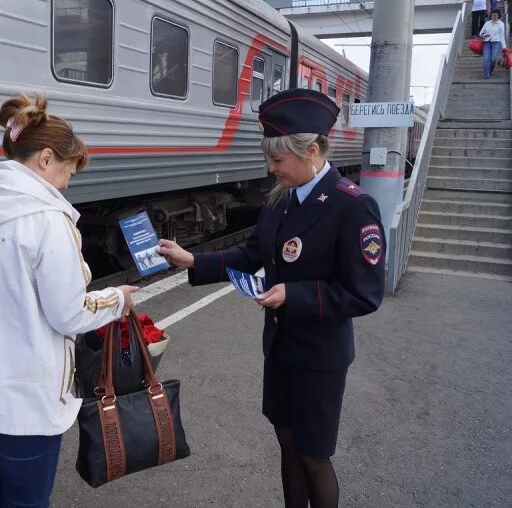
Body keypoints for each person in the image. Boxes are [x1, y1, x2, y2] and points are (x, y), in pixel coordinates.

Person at [157, 89, 386, 508]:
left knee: (313, 456)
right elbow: (251, 255)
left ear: (312, 151)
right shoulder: (281, 200)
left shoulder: (353, 207)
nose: (270, 168)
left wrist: (294, 295)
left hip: (320, 356)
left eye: (277, 160)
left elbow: (365, 293)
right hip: (281, 348)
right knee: (286, 443)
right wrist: (192, 259)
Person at [0, 93, 137, 507]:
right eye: (67, 172)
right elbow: (70, 312)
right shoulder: (47, 220)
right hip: (26, 399)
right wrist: (117, 298)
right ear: (46, 158)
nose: (66, 184)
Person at [480, 9, 506, 78]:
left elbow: (502, 36)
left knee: (493, 59)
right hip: (487, 42)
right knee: (486, 59)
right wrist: (484, 35)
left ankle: (490, 71)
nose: (494, 17)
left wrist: (504, 48)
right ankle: (486, 74)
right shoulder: (487, 23)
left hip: (496, 43)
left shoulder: (501, 24)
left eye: (495, 15)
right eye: (492, 15)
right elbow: (480, 33)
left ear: (498, 16)